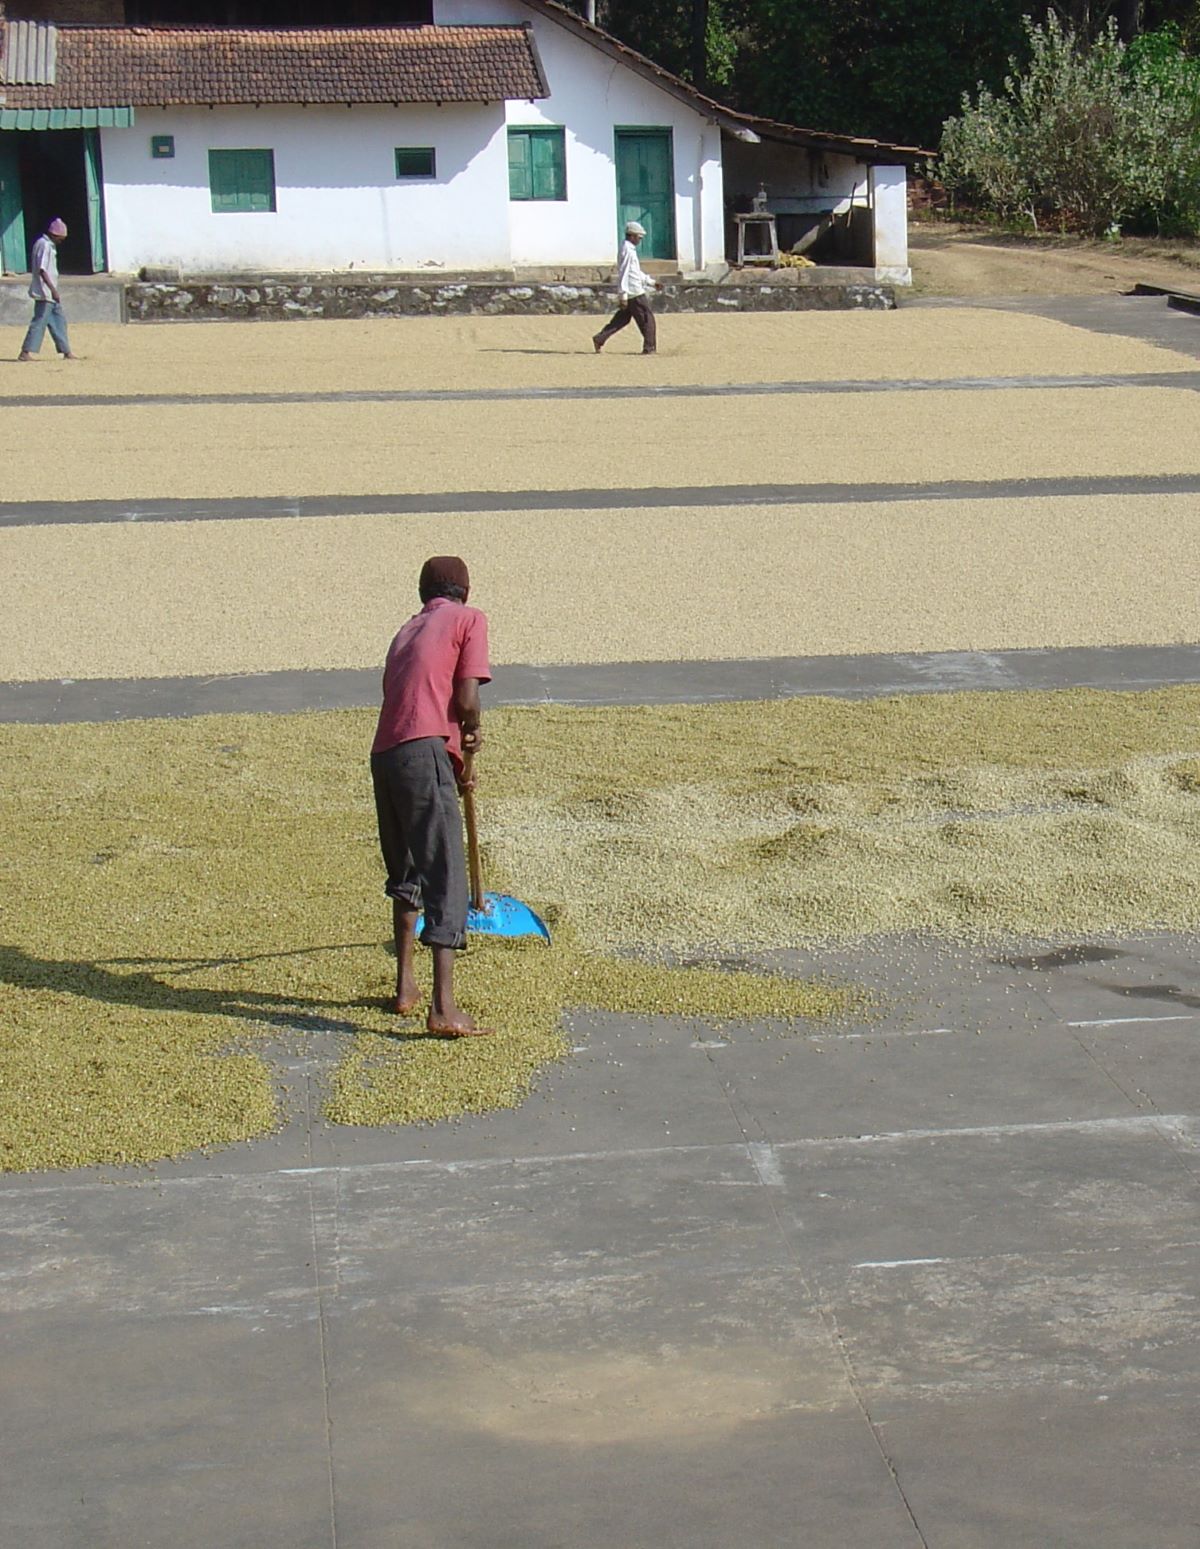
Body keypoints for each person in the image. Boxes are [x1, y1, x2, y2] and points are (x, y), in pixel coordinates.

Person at [370, 555, 492, 1037]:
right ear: (464, 589)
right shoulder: (469, 619)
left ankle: (405, 987)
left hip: (386, 754)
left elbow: (412, 696)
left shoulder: (406, 631)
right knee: (444, 872)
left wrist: (455, 764)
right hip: (424, 753)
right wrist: (473, 731)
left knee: (404, 871)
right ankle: (443, 1008)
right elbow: (464, 699)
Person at [592, 219, 657, 355]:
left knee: (622, 319)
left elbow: (635, 271)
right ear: (632, 236)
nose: (640, 240)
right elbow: (625, 271)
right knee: (647, 318)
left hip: (632, 290)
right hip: (633, 292)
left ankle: (600, 338)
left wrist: (650, 282)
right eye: (639, 237)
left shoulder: (628, 249)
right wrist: (623, 295)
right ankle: (649, 347)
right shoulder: (627, 250)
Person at [18, 218, 76, 363]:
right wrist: (53, 290)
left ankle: (66, 351)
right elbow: (42, 270)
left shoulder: (45, 244)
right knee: (39, 322)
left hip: (50, 293)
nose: (61, 242)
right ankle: (25, 352)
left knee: (59, 321)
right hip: (45, 292)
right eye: (61, 239)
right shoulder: (44, 246)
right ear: (54, 235)